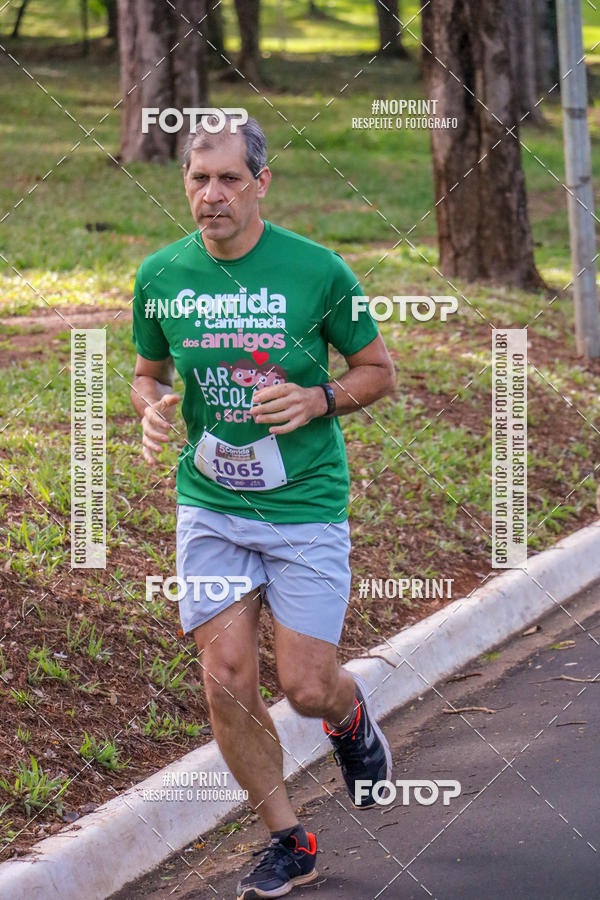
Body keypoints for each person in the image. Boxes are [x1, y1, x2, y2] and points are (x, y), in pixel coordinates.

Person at [130, 113, 396, 900]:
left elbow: (378, 371)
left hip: (304, 507)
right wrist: (150, 403)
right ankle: (289, 838)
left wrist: (319, 398)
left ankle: (350, 720)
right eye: (197, 178)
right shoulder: (162, 275)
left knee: (307, 686)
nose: (211, 196)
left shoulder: (316, 272)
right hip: (210, 506)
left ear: (262, 184)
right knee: (225, 677)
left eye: (228, 180)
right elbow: (148, 372)